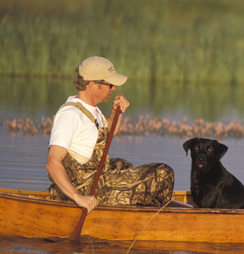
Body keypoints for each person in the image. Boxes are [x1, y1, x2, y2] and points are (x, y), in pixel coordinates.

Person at [46, 56, 174, 213]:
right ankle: (155, 217)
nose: (113, 89)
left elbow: (108, 134)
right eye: (110, 84)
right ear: (92, 85)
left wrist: (116, 112)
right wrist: (78, 197)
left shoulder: (92, 110)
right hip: (87, 192)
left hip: (96, 180)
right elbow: (53, 162)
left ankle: (141, 211)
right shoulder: (70, 115)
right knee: (164, 173)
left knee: (123, 164)